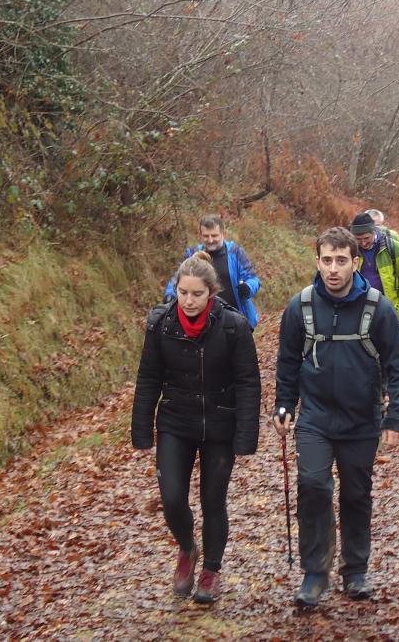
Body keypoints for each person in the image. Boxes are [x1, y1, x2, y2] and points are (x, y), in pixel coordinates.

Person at [273, 227, 399, 608]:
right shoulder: (299, 307)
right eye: (326, 260)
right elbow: (287, 363)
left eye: (340, 261)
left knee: (356, 494)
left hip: (361, 421)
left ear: (355, 262)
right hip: (315, 419)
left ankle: (355, 570)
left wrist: (395, 418)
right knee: (314, 486)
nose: (332, 269)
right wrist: (283, 406)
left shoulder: (377, 308)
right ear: (316, 261)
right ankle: (315, 573)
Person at [132, 251, 261, 604]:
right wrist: (141, 429)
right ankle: (188, 548)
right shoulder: (161, 325)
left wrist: (246, 436)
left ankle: (211, 571)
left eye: (196, 294)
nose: (188, 301)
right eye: (182, 293)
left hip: (220, 423)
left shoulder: (234, 326)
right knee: (172, 498)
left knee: (212, 501)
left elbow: (249, 381)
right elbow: (148, 378)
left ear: (212, 293)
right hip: (176, 420)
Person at [164, 214, 262, 330]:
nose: (210, 240)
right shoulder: (192, 253)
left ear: (222, 233)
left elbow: (253, 279)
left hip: (236, 319)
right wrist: (170, 295)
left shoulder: (235, 252)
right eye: (206, 236)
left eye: (214, 235)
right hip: (203, 323)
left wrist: (248, 287)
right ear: (200, 235)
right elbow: (177, 279)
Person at [350, 212, 399, 321]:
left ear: (373, 231)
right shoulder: (350, 249)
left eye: (366, 238)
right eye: (358, 239)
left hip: (386, 310)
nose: (363, 243)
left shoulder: (392, 247)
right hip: (358, 311)